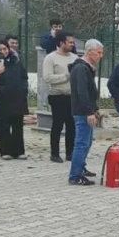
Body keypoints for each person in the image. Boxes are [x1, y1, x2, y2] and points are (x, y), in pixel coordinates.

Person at [68, 40, 103, 186]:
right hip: (82, 112)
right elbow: (82, 92)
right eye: (99, 52)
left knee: (86, 142)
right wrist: (89, 112)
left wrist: (94, 108)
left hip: (86, 110)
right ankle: (75, 175)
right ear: (89, 51)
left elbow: (90, 92)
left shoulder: (86, 68)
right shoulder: (81, 68)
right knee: (81, 143)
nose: (101, 56)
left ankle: (81, 167)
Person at [42, 31, 78, 163]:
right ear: (61, 43)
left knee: (71, 126)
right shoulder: (51, 58)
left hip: (72, 97)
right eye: (70, 42)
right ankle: (55, 153)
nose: (72, 44)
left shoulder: (75, 58)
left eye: (73, 42)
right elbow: (47, 77)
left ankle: (70, 153)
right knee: (57, 125)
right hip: (57, 96)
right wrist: (66, 77)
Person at [0, 40, 28, 160]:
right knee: (4, 125)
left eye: (4, 49)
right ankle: (5, 151)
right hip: (2, 99)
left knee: (18, 125)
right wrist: (0, 89)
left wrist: (24, 89)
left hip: (18, 97)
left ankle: (18, 151)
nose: (3, 52)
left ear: (8, 49)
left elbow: (24, 77)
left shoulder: (17, 61)